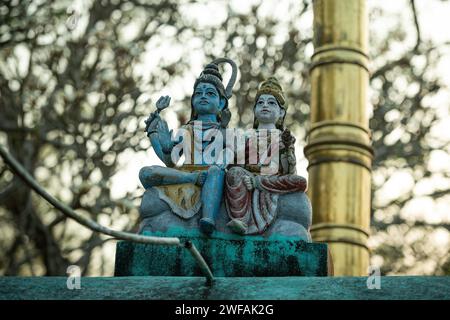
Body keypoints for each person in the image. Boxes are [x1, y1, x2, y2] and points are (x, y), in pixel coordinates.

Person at [140, 59, 237, 235]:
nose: (203, 96)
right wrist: (153, 132)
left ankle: (208, 219)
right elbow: (170, 161)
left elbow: (231, 156)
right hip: (186, 175)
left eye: (210, 93)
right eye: (198, 93)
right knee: (146, 172)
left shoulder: (224, 132)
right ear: (192, 101)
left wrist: (223, 133)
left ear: (222, 103)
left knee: (216, 171)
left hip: (212, 176)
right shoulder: (186, 130)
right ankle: (193, 179)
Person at [225, 77, 307, 235]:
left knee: (300, 181)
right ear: (255, 110)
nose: (265, 106)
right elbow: (236, 162)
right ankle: (240, 220)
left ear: (281, 112)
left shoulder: (283, 137)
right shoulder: (247, 135)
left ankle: (257, 183)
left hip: (269, 179)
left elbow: (289, 172)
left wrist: (288, 149)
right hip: (247, 175)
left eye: (271, 103)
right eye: (260, 103)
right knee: (233, 173)